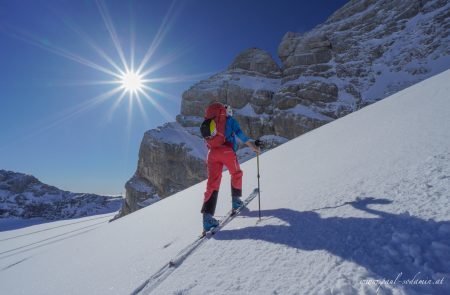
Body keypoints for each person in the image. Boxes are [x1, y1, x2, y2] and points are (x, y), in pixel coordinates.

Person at [201, 103, 259, 232]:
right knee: (236, 173)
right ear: (226, 112)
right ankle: (236, 200)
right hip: (226, 151)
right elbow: (240, 134)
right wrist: (252, 146)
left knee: (212, 183)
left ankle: (207, 218)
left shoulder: (211, 121)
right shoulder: (230, 121)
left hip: (211, 153)